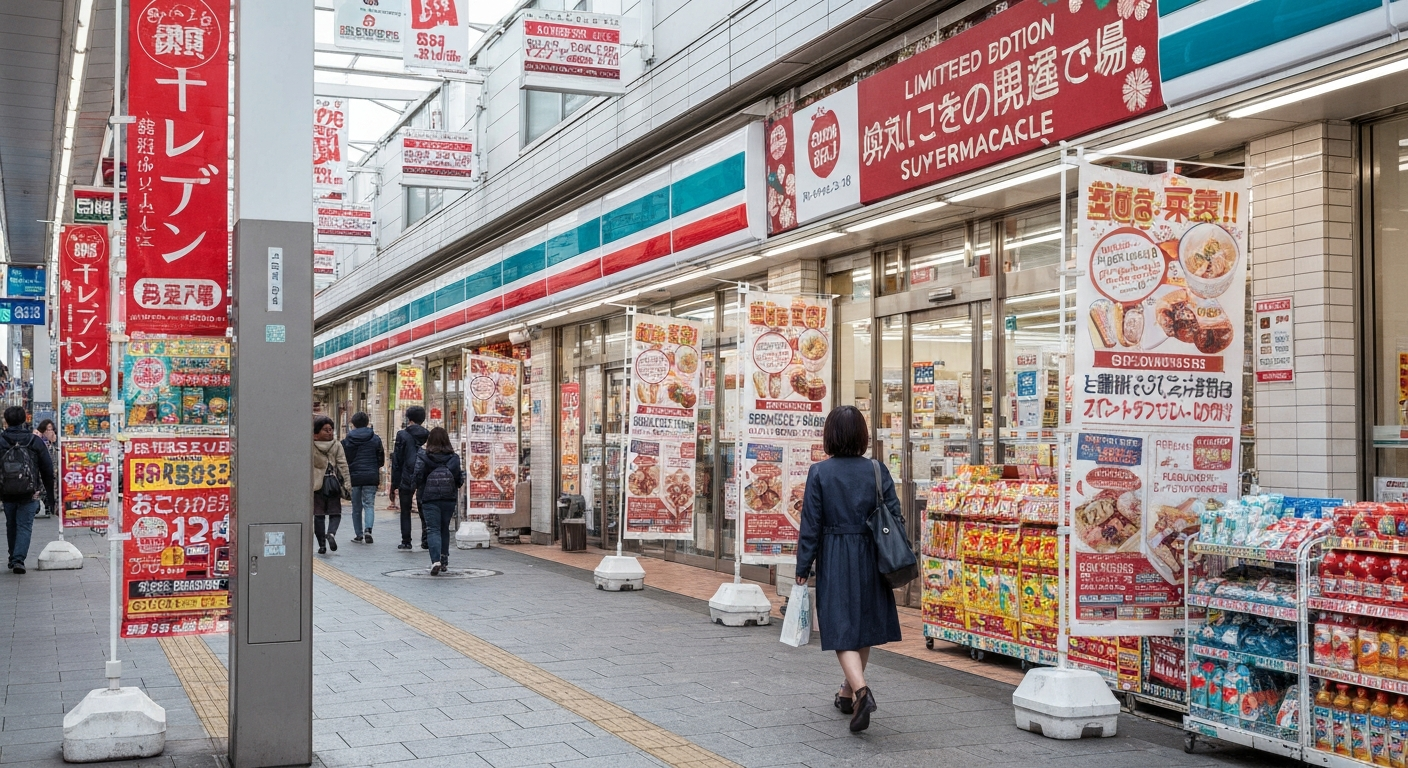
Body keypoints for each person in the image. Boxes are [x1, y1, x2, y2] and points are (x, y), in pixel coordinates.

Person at [794, 405, 903, 733]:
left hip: (836, 554)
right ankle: (847, 692)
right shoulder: (877, 469)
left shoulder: (820, 473)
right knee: (863, 624)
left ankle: (861, 692)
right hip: (872, 554)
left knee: (841, 625)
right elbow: (896, 515)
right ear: (862, 435)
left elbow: (811, 525)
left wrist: (803, 566)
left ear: (830, 435)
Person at [0, 407, 55, 574]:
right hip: (30, 491)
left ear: (6, 421)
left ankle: (13, 557)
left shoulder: (1, 440)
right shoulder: (34, 441)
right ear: (24, 420)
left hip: (6, 491)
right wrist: (50, 497)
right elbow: (47, 469)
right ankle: (18, 559)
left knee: (11, 524)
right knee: (24, 525)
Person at [413, 426, 463, 576]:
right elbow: (459, 479)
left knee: (433, 529)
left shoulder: (423, 457)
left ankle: (435, 561)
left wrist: (415, 488)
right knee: (444, 528)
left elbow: (417, 476)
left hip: (429, 498)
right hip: (449, 498)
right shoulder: (454, 458)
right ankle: (444, 559)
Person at [341, 411, 384, 544]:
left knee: (356, 507)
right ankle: (368, 530)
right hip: (371, 476)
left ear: (353, 424)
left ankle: (358, 534)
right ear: (367, 422)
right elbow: (381, 459)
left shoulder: (348, 440)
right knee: (369, 504)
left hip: (354, 476)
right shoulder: (375, 438)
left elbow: (344, 459)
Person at [390, 406, 429, 551]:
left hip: (406, 475)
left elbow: (397, 460)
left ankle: (406, 541)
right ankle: (426, 539)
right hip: (424, 474)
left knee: (405, 509)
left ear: (408, 418)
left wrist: (394, 483)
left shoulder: (402, 435)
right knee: (424, 507)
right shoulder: (428, 435)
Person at [312, 415, 351, 554]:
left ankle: (322, 545)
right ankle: (331, 533)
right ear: (316, 432)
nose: (329, 432)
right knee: (335, 513)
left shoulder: (310, 445)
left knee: (318, 515)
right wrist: (347, 484)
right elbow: (343, 465)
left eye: (331, 429)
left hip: (316, 485)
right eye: (326, 430)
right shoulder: (336, 445)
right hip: (333, 483)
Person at [33, 419, 58, 519]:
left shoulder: (54, 444)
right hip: (42, 471)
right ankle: (44, 503)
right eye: (48, 430)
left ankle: (51, 505)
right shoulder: (39, 443)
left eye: (51, 429)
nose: (50, 432)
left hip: (54, 471)